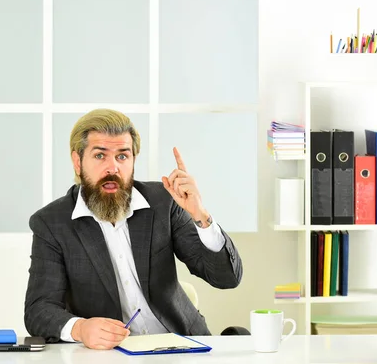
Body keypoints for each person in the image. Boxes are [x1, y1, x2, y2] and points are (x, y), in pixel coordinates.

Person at [24, 109, 243, 350]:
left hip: (182, 345)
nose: (113, 168)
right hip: (110, 355)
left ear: (133, 160)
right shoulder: (51, 223)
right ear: (78, 162)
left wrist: (200, 215)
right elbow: (39, 309)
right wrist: (80, 328)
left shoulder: (164, 202)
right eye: (100, 156)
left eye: (122, 156)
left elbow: (226, 278)